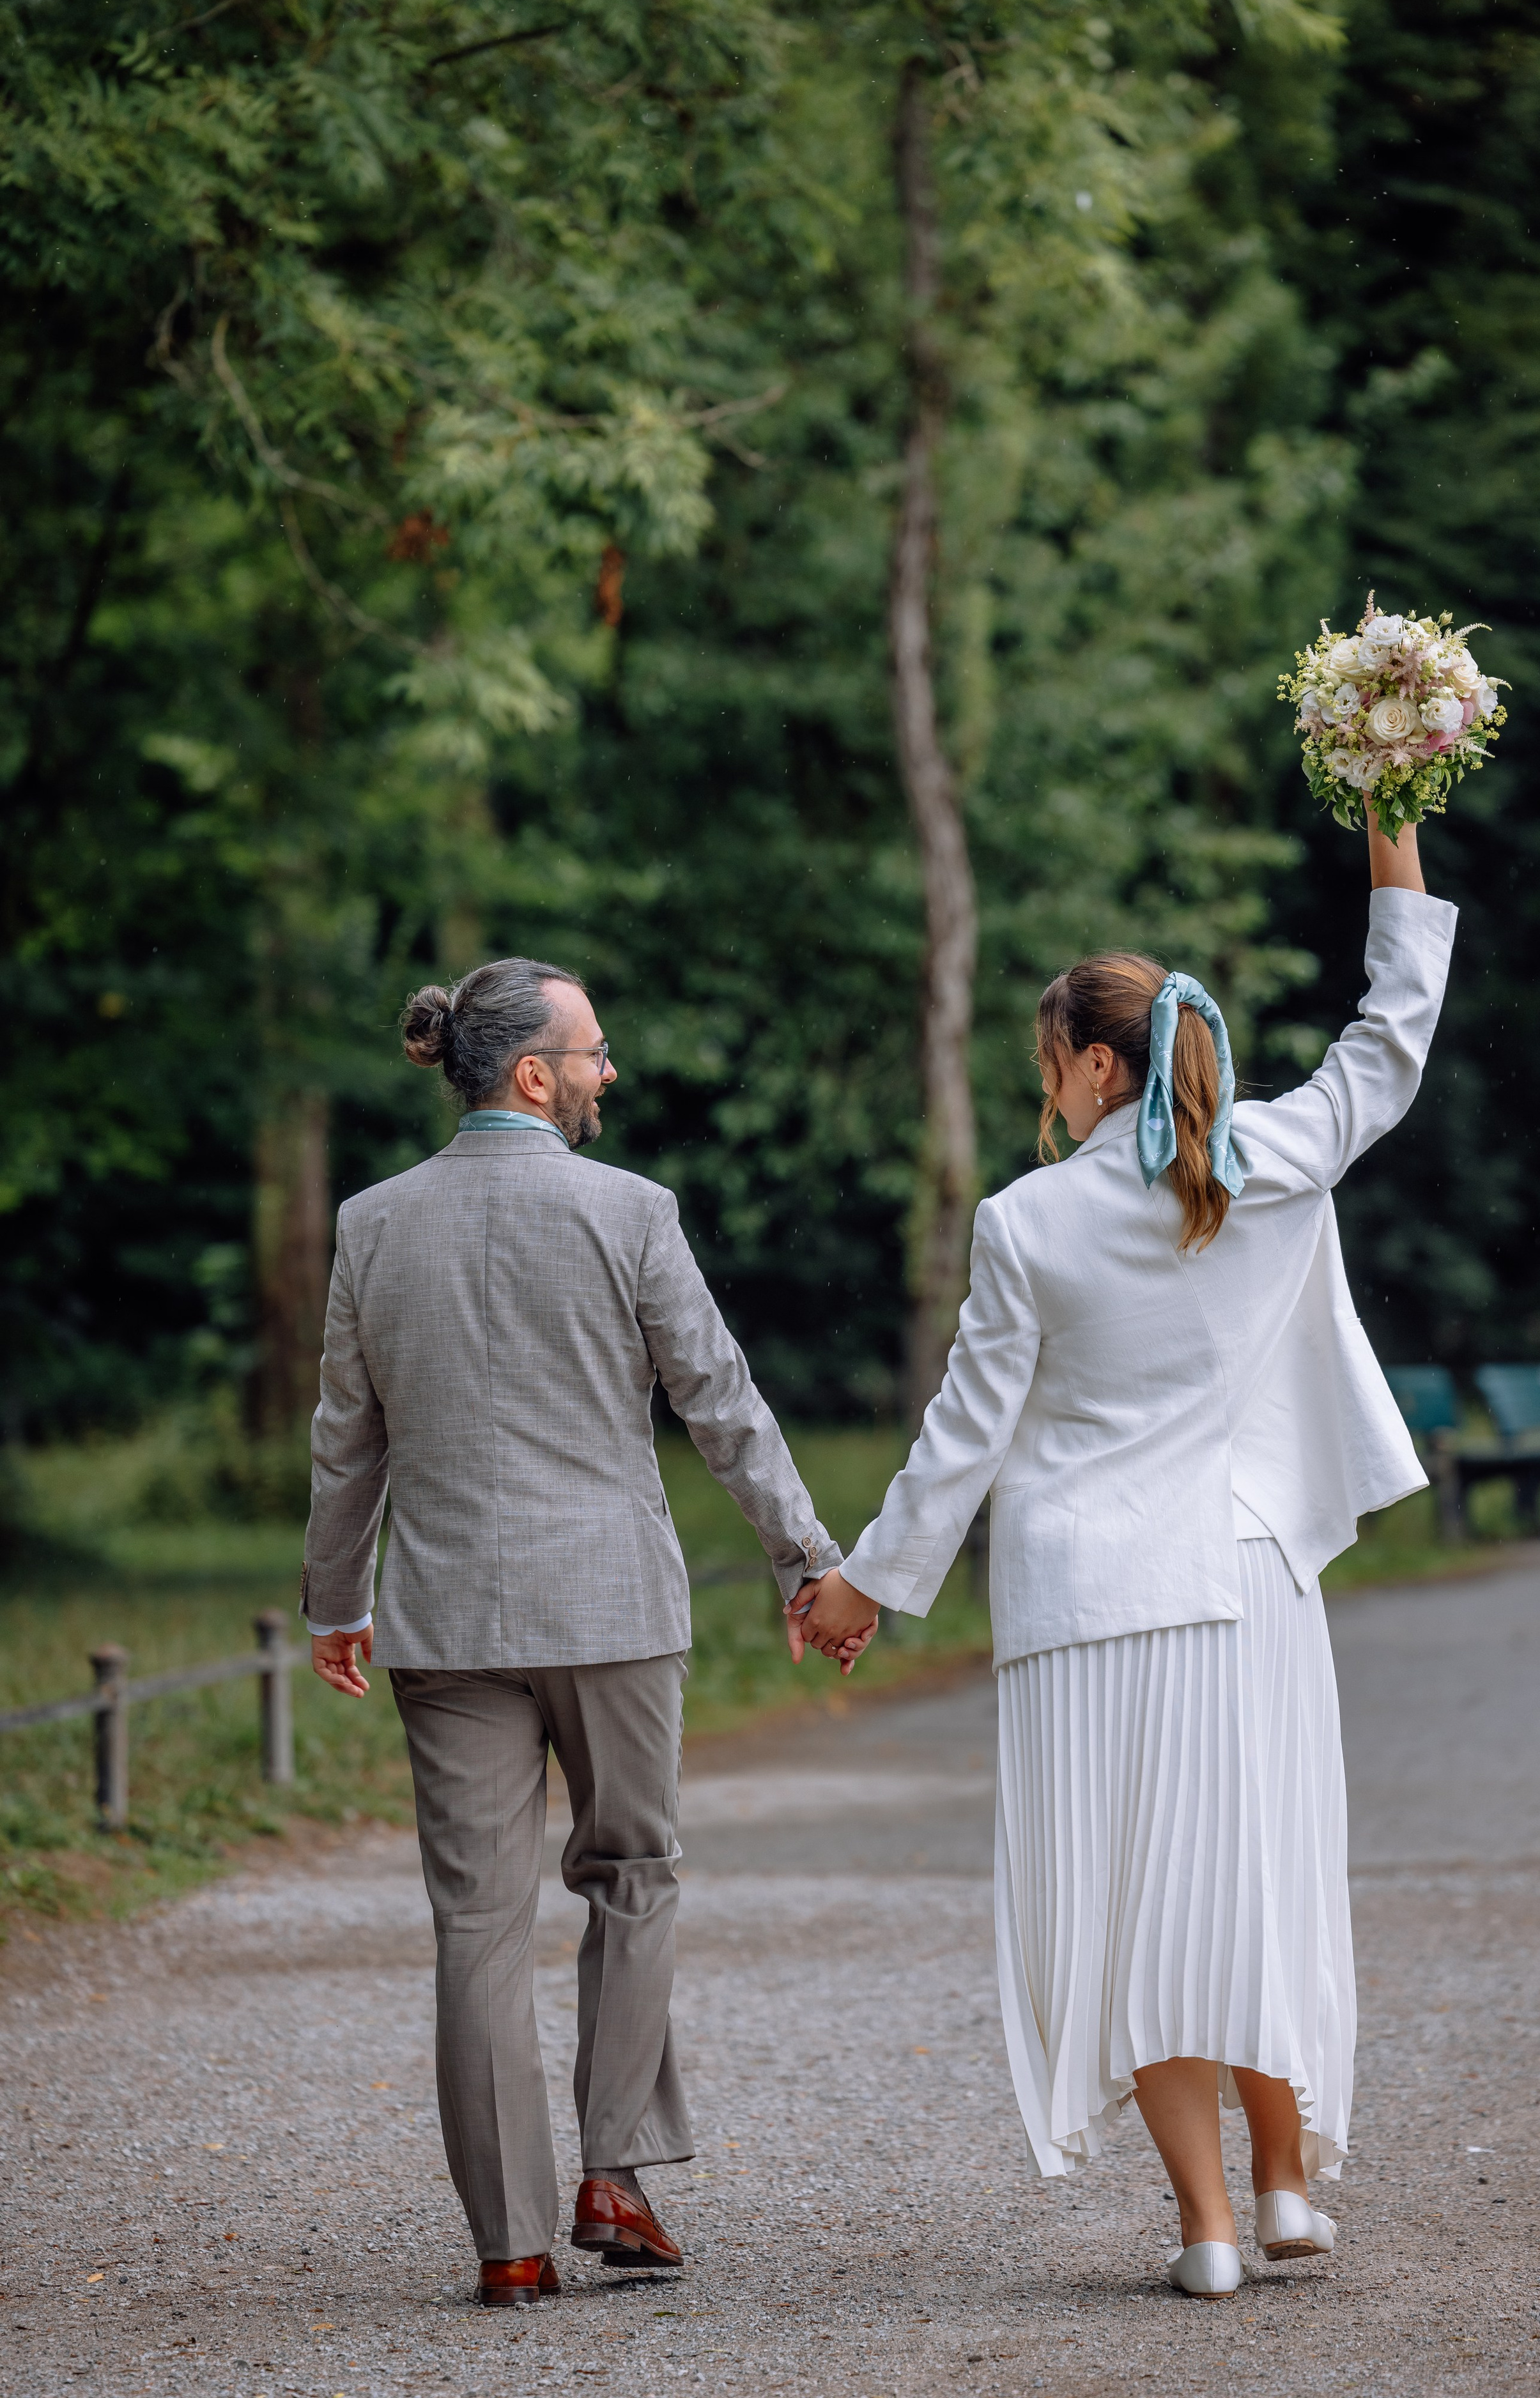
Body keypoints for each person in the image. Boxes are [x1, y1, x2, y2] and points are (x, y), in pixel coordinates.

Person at [795, 811, 1456, 2299]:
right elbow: (1393, 1028)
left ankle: (1206, 2227)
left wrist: (860, 1585)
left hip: (1090, 1602)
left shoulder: (1026, 1221)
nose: (1045, 1089)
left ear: (1098, 1065)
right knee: (1255, 1884)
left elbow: (964, 1431)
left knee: (1132, 1908)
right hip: (1248, 1578)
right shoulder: (1276, 1152)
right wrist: (1391, 826)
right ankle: (1284, 2190)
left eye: (1049, 1064)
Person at [302, 958, 850, 2307]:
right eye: (595, 1051)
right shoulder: (631, 1211)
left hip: (446, 1618)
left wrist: (337, 1599)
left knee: (476, 1924)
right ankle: (615, 2170)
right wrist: (807, 1558)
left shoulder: (374, 1222)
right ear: (535, 1073)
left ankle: (510, 2239)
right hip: (612, 1609)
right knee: (633, 1875)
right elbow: (720, 1401)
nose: (612, 1070)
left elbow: (347, 1436)